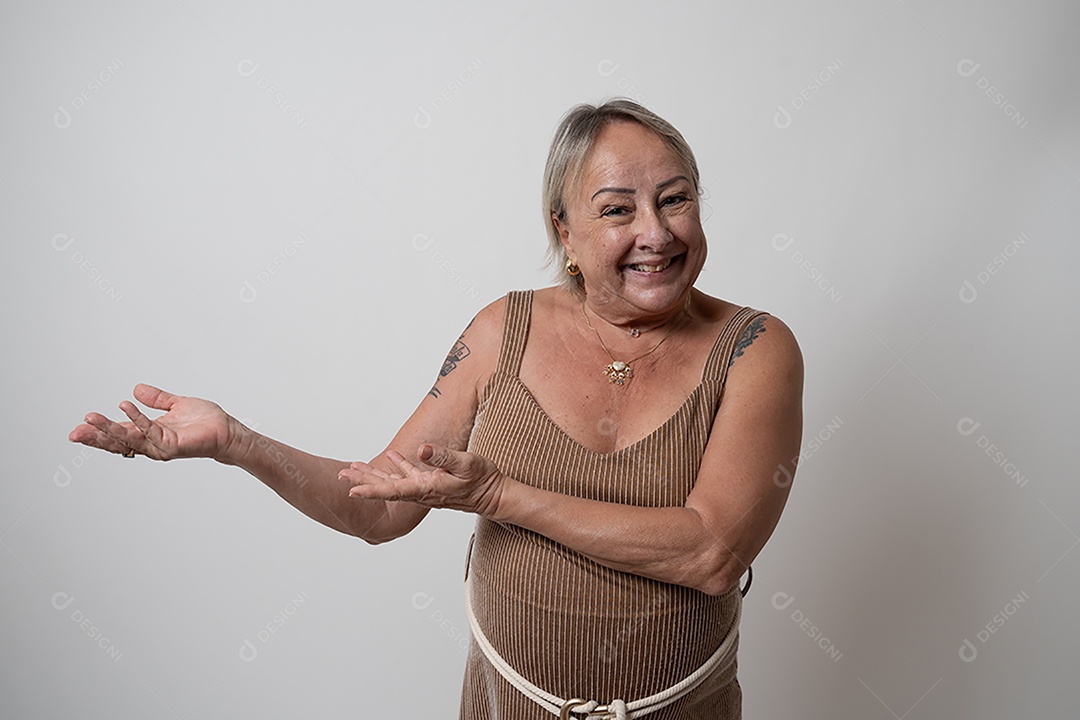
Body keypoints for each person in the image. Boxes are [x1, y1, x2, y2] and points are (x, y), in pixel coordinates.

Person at [69, 99, 803, 719]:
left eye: (675, 198)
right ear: (565, 234)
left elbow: (710, 554)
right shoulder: (500, 331)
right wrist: (236, 440)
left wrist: (498, 495)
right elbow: (378, 508)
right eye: (618, 209)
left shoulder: (754, 347)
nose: (657, 232)